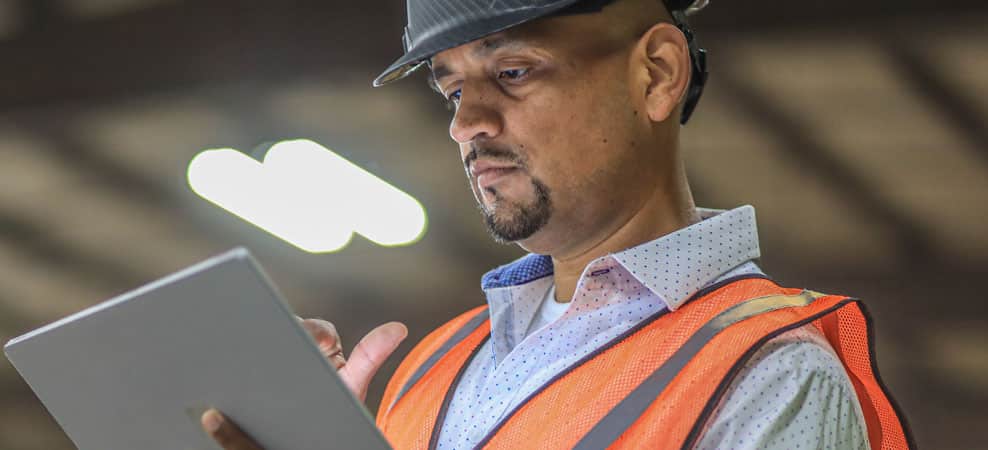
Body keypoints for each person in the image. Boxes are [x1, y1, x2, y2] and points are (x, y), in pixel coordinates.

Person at [200, 0, 914, 448]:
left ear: (658, 74)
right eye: (451, 88)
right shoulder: (432, 369)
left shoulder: (766, 376)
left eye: (512, 72)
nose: (465, 124)